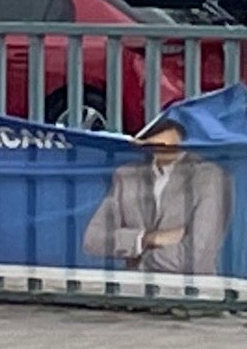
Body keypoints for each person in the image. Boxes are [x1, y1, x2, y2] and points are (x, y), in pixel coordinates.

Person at [80, 113, 233, 275]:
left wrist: (141, 263)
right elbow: (93, 240)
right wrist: (146, 238)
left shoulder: (211, 177)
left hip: (190, 294)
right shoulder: (127, 175)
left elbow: (196, 257)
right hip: (136, 294)